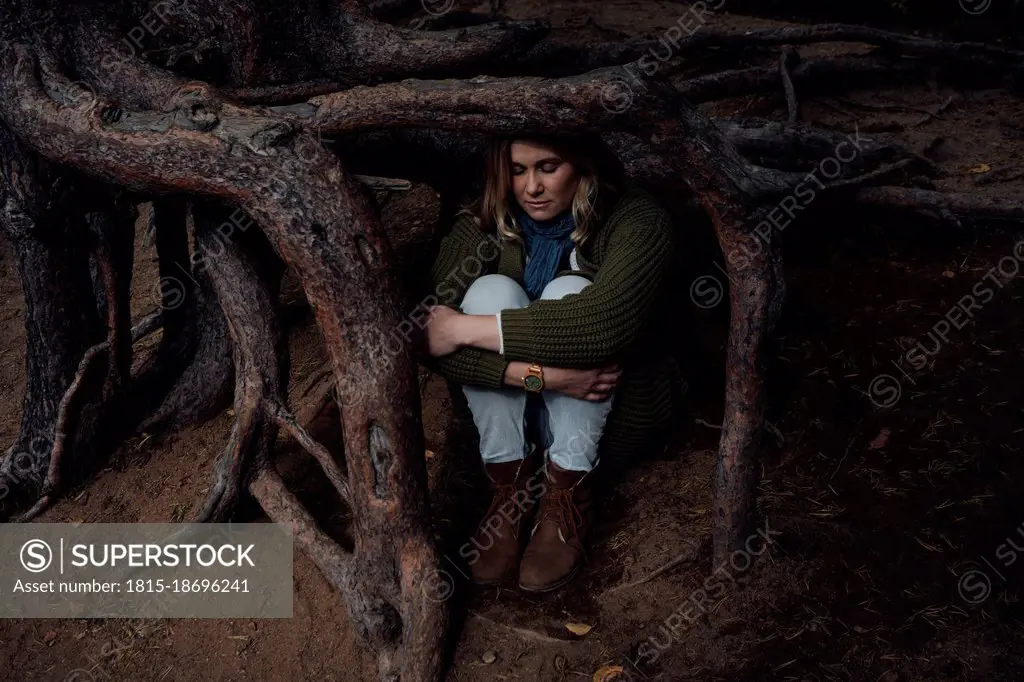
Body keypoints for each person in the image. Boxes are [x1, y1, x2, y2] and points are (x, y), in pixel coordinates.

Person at [424, 132, 677, 593]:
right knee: (487, 292)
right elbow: (424, 339)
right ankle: (510, 492)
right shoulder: (483, 218)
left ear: (583, 165)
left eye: (548, 167)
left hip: (606, 414)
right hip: (520, 413)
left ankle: (567, 493)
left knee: (571, 293)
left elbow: (606, 324)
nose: (531, 187)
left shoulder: (635, 219)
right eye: (517, 170)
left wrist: (461, 330)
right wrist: (545, 377)